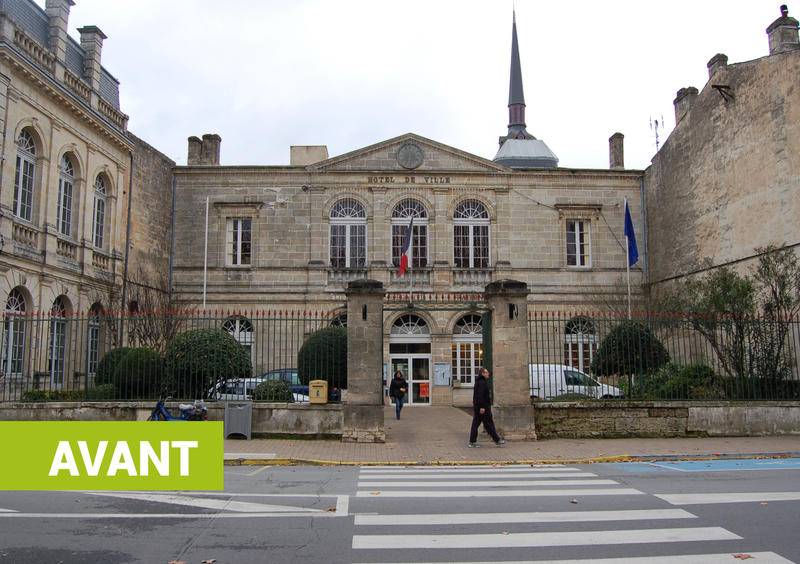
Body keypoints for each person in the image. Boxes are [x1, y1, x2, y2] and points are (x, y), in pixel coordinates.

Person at [468, 367, 506, 447]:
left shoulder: (479, 382)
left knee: (477, 424)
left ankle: (472, 441)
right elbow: (481, 396)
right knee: (488, 424)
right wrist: (482, 407)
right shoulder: (482, 383)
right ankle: (497, 440)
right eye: (486, 372)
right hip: (483, 408)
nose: (488, 374)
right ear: (483, 373)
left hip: (479, 407)